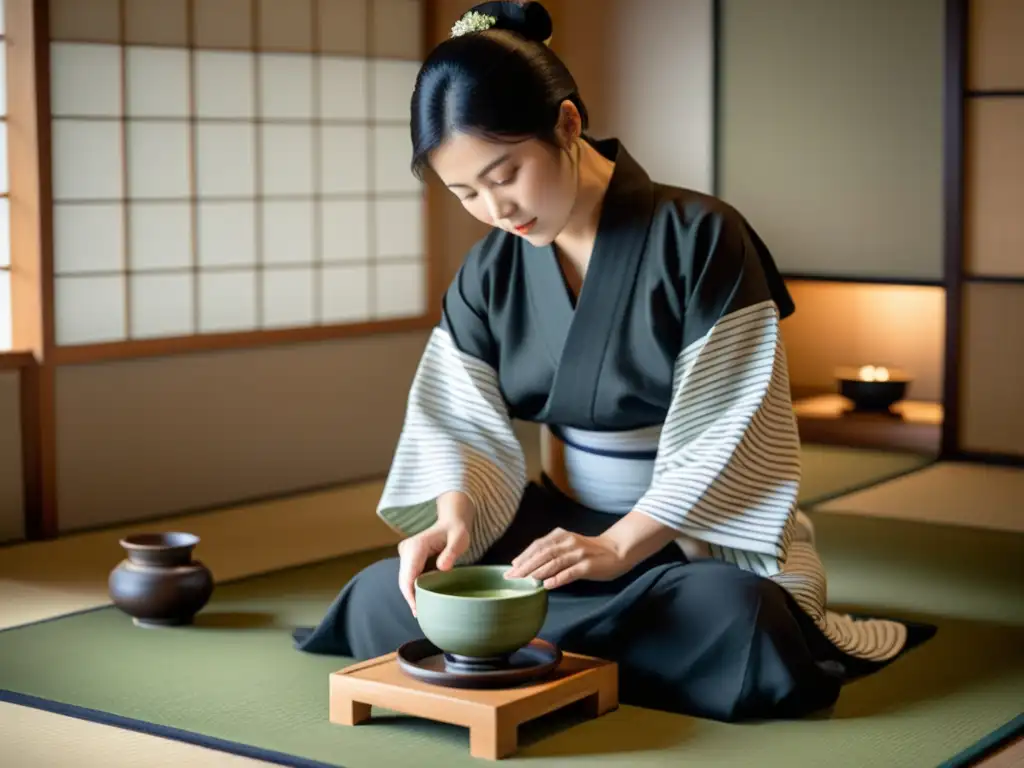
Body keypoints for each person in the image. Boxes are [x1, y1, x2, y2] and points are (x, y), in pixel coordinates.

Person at [294, 0, 933, 722]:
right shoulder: (490, 270)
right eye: (465, 192)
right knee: (393, 590)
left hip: (683, 535)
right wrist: (455, 516)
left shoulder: (702, 238)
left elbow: (734, 428)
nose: (495, 209)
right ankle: (576, 654)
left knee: (741, 616)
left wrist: (622, 546)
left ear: (567, 124)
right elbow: (456, 419)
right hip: (556, 526)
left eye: (505, 174)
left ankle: (524, 657)